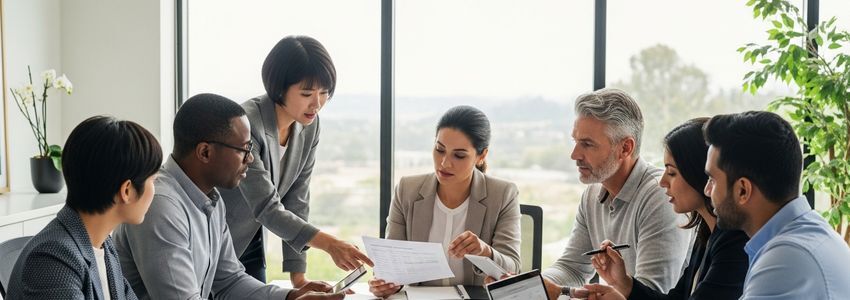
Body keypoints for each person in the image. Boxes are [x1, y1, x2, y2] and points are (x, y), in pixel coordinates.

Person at [114, 94, 342, 300]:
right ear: (205, 152)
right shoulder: (162, 207)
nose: (250, 159)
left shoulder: (211, 199)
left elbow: (229, 281)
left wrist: (291, 297)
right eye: (244, 149)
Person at [218, 35, 372, 286]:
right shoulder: (246, 123)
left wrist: (298, 278)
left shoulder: (309, 125)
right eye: (307, 93)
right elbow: (267, 206)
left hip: (253, 241)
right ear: (279, 88)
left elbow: (297, 199)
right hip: (218, 242)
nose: (317, 103)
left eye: (324, 92)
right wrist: (330, 244)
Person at [539, 88, 691, 299]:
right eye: (576, 142)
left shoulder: (661, 195)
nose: (575, 155)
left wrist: (565, 293)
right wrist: (530, 287)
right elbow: (572, 268)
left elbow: (653, 291)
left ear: (625, 148)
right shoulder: (592, 193)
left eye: (587, 144)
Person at [585, 117, 749, 300]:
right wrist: (625, 284)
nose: (662, 182)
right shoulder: (707, 233)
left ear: (700, 174)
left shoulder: (734, 243)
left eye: (672, 173)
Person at [368, 106, 521, 298]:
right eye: (440, 150)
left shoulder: (503, 194)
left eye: (459, 155)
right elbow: (392, 265)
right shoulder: (407, 190)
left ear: (481, 156)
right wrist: (387, 283)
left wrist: (485, 251)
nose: (444, 163)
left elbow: (513, 267)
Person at [7, 116, 162, 300]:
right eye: (153, 180)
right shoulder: (53, 260)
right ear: (126, 190)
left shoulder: (104, 245)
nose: (155, 189)